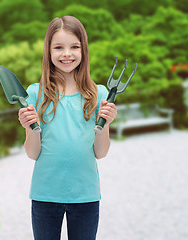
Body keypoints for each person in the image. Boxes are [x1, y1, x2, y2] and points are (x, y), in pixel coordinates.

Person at [18, 16, 117, 240]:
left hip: (85, 195)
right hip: (45, 194)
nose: (66, 54)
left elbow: (100, 153)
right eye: (58, 47)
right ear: (48, 51)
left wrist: (106, 123)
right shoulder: (35, 94)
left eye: (74, 46)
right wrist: (30, 127)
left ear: (83, 50)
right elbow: (33, 153)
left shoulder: (99, 94)